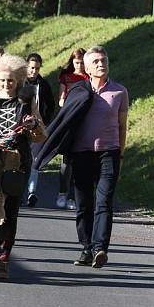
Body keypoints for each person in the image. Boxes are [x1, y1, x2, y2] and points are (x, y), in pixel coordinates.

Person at [0, 54, 38, 281]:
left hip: (17, 163)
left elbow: (41, 133)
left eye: (11, 80)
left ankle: (3, 258)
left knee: (10, 212)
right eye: (3, 80)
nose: (6, 84)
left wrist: (33, 125)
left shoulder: (26, 103)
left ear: (18, 80)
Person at [70, 46, 128, 268]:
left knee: (104, 203)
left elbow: (122, 126)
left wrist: (120, 154)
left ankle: (100, 249)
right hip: (81, 154)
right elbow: (67, 123)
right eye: (95, 62)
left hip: (109, 153)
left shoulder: (120, 92)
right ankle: (86, 248)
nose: (100, 64)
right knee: (84, 205)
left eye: (103, 60)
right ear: (86, 68)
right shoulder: (78, 91)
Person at [57, 48, 89, 210]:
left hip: (84, 122)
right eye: (77, 63)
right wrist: (71, 103)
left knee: (79, 161)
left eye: (82, 63)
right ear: (72, 62)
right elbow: (61, 100)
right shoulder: (67, 77)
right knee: (66, 160)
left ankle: (72, 197)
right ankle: (62, 193)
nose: (80, 66)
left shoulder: (89, 78)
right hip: (69, 120)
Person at [24, 53, 56, 207]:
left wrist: (44, 122)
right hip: (21, 127)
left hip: (38, 127)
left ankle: (31, 192)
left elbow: (50, 105)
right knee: (20, 160)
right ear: (26, 67)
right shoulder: (20, 83)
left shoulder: (43, 85)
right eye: (31, 68)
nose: (33, 71)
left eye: (36, 68)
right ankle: (17, 191)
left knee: (34, 160)